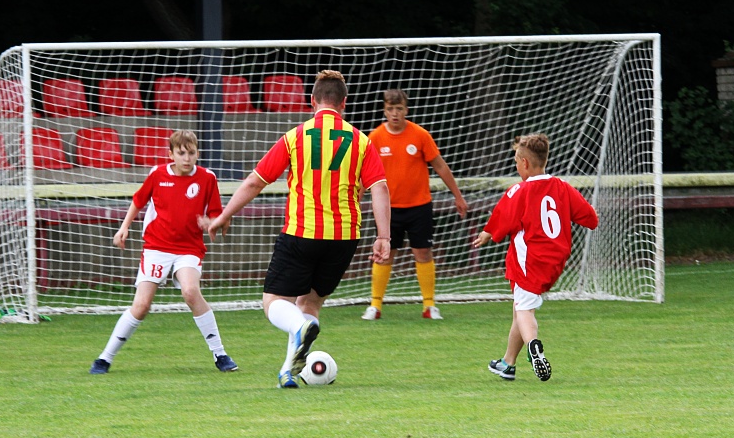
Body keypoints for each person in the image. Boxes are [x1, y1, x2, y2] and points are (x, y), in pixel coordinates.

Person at [203, 70, 391, 388]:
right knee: (310, 304)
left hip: (302, 232)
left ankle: (301, 330)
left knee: (274, 302)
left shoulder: (296, 136)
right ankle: (288, 371)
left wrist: (224, 214)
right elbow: (380, 188)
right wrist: (384, 236)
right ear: (343, 103)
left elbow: (255, 181)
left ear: (312, 102)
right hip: (344, 237)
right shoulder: (361, 140)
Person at [89, 129, 238, 374]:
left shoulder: (207, 178)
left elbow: (218, 215)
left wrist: (213, 223)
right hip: (157, 247)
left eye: (191, 153)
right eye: (181, 153)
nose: (187, 158)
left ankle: (220, 354)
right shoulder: (157, 175)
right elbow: (138, 200)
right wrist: (124, 228)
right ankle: (104, 358)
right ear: (171, 154)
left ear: (197, 153)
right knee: (141, 306)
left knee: (191, 292)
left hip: (188, 248)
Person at [472, 133, 598, 381]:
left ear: (525, 163)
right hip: (556, 261)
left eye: (517, 162)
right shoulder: (563, 187)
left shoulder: (519, 190)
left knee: (525, 311)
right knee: (520, 307)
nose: (517, 166)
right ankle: (508, 364)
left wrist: (487, 234)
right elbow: (590, 218)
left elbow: (502, 219)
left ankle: (534, 348)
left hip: (529, 260)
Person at [362, 88, 468, 321]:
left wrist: (457, 196)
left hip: (419, 206)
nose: (395, 114)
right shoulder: (375, 138)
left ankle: (429, 305)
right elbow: (365, 172)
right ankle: (375, 305)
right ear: (384, 110)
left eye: (399, 109)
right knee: (385, 254)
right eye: (390, 109)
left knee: (423, 252)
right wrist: (356, 196)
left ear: (406, 110)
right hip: (388, 209)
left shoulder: (420, 135)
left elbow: (440, 166)